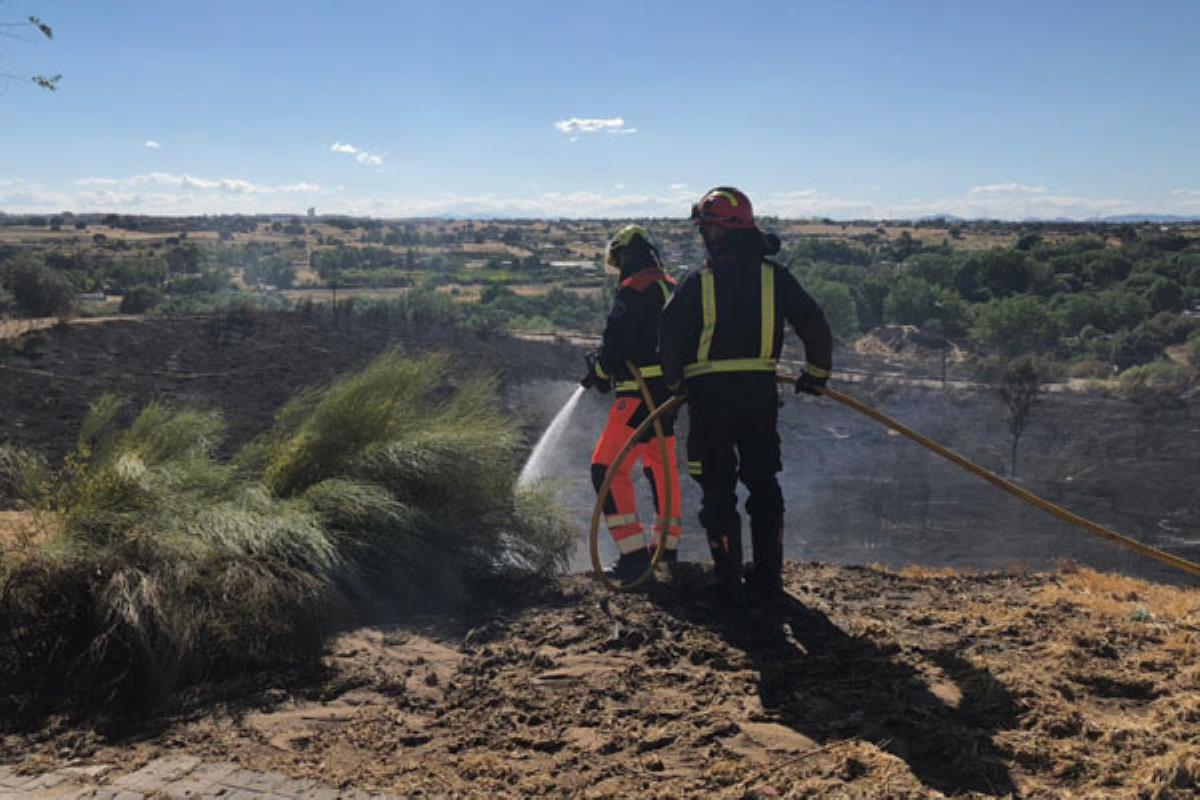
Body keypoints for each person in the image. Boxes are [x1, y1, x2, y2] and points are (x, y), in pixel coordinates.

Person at [659, 187, 833, 604]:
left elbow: (668, 342)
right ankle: (768, 578)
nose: (703, 235)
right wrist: (815, 374)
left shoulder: (696, 282)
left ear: (720, 231)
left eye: (706, 227)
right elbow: (814, 324)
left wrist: (677, 387)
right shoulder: (776, 278)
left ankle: (728, 580)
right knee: (763, 481)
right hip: (758, 396)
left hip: (709, 399)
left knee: (717, 487)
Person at [581, 225, 683, 579]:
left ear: (626, 255)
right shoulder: (670, 286)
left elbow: (615, 346)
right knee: (661, 468)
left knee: (605, 469)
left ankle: (633, 556)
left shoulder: (634, 289)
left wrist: (599, 368)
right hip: (668, 396)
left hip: (637, 394)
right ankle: (666, 549)